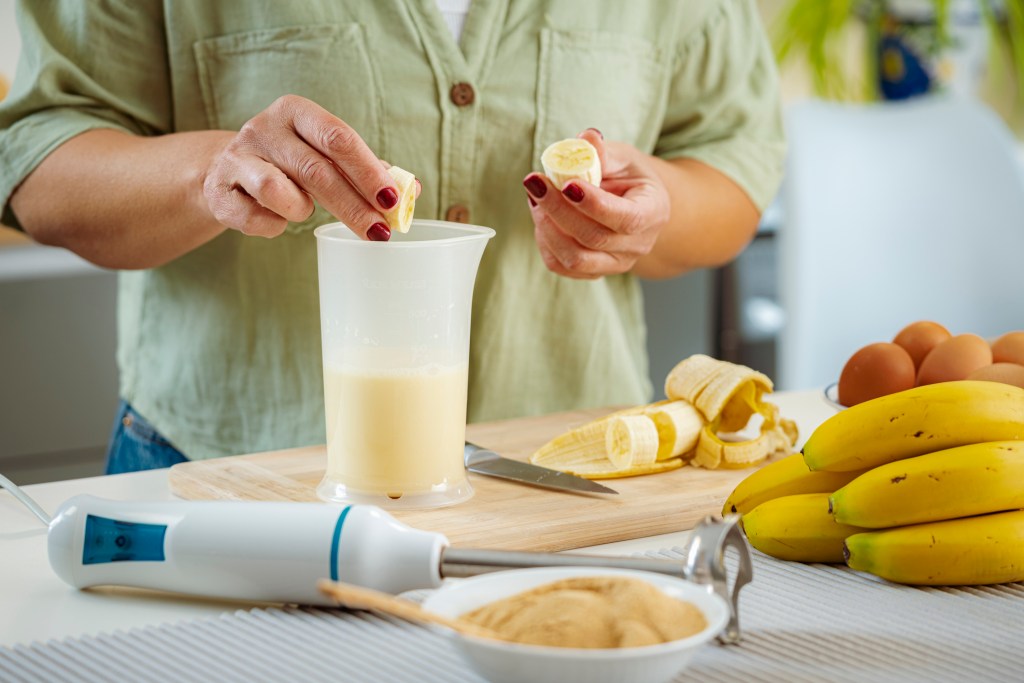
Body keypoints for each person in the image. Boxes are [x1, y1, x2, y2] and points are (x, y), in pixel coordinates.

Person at [0, 0, 784, 473]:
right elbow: (38, 159)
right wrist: (212, 173)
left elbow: (734, 163)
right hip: (227, 477)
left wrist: (651, 212)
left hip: (557, 481)